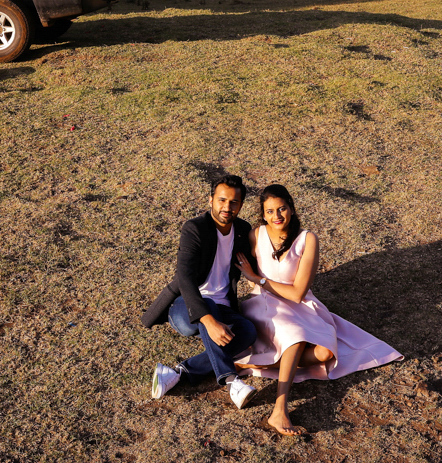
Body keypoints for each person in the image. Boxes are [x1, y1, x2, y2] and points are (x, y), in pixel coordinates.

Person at [235, 184, 402, 436]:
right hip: (264, 303)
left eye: (281, 209)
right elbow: (244, 274)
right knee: (295, 335)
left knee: (325, 353)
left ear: (291, 207)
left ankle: (260, 360)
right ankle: (280, 408)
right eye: (269, 211)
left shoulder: (307, 238)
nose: (276, 216)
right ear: (262, 214)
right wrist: (254, 283)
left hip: (299, 304)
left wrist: (256, 278)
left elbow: (297, 293)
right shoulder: (255, 235)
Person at [140, 174, 260, 410]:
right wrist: (209, 320)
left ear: (241, 205)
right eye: (222, 200)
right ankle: (231, 381)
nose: (227, 207)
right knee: (209, 308)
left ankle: (177, 373)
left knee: (247, 332)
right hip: (187, 306)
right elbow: (184, 277)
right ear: (211, 200)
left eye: (234, 202)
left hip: (224, 307)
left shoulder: (242, 230)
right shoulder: (194, 228)